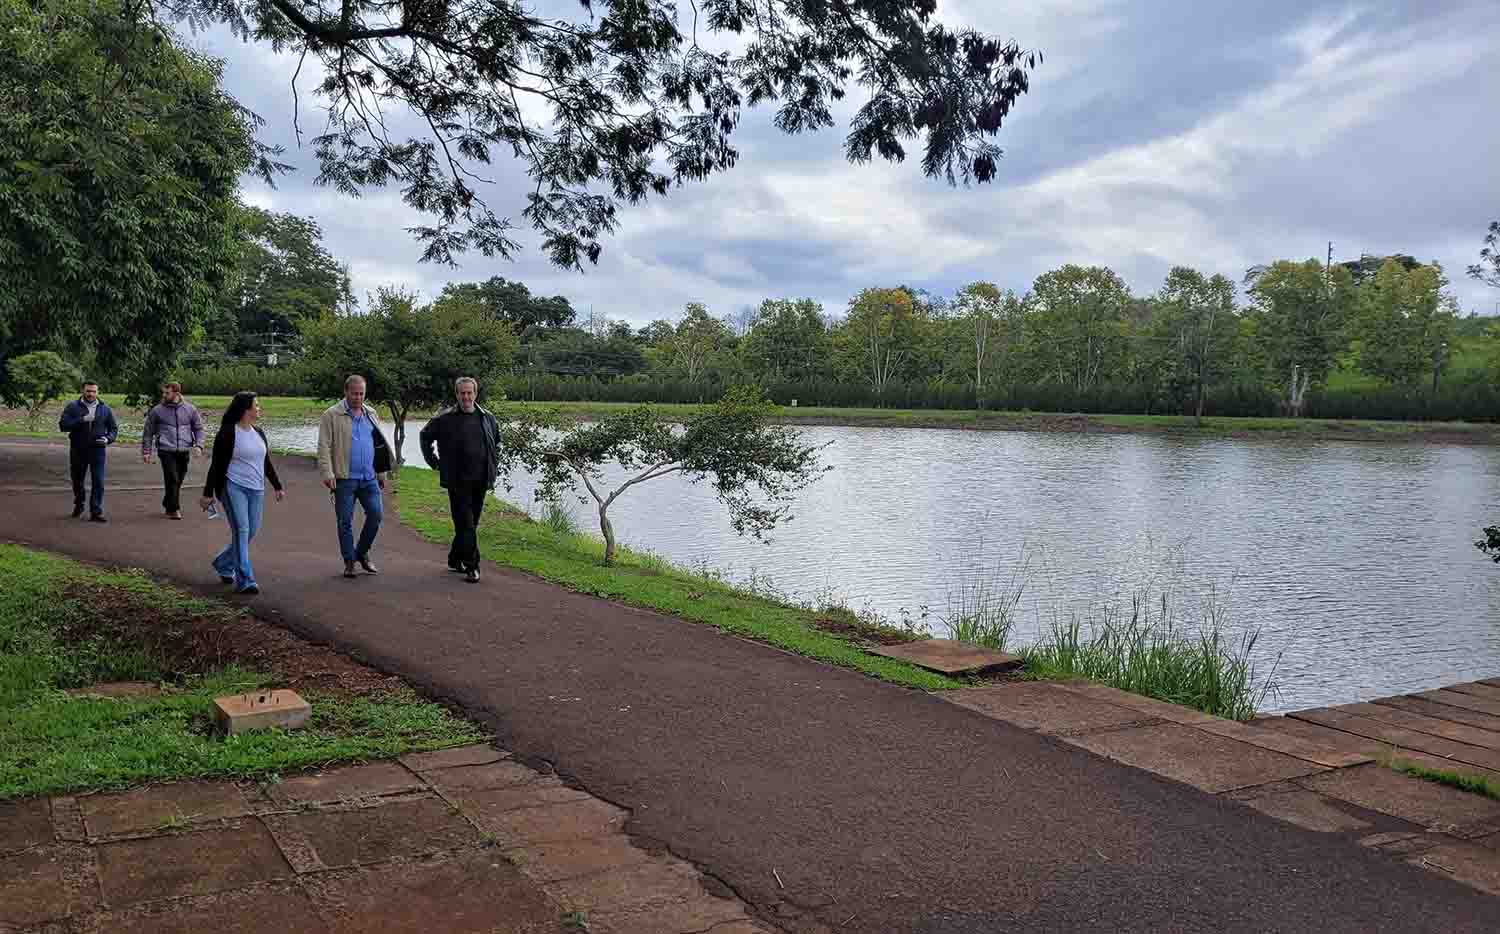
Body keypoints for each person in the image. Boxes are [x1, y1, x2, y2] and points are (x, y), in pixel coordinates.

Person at [200, 392, 284, 595]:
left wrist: (277, 485)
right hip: (233, 487)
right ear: (246, 409)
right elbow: (217, 465)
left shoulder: (259, 432)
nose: (259, 408)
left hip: (256, 488)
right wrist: (208, 493)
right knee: (242, 530)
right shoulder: (228, 432)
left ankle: (223, 563)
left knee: (251, 530)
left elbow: (265, 462)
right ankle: (246, 579)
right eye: (256, 405)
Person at [419, 376, 501, 583]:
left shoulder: (487, 418)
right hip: (457, 481)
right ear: (456, 394)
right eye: (462, 393)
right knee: (466, 523)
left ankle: (455, 558)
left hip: (481, 480)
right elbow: (425, 436)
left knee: (470, 523)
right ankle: (473, 566)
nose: (466, 396)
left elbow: (496, 444)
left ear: (475, 394)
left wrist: (492, 467)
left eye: (469, 392)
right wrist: (434, 462)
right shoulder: (445, 418)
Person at [316, 375, 393, 579]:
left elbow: (378, 446)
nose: (358, 398)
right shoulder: (331, 415)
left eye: (362, 394)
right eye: (355, 393)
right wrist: (327, 473)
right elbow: (324, 446)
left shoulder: (371, 414)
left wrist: (381, 472)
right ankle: (349, 561)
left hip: (369, 478)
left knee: (376, 515)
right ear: (346, 392)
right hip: (344, 478)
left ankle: (361, 553)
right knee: (345, 521)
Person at [140, 381, 205, 519]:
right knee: (173, 479)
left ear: (176, 393)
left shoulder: (190, 409)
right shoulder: (157, 410)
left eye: (167, 393)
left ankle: (168, 502)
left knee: (178, 480)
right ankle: (175, 509)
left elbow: (198, 429)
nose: (164, 395)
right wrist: (146, 452)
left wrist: (199, 445)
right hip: (165, 449)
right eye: (163, 392)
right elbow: (148, 433)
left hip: (184, 449)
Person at [57, 380, 118, 522]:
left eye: (94, 391)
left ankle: (96, 511)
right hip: (78, 449)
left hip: (98, 450)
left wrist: (108, 439)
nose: (91, 394)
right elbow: (63, 426)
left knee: (98, 481)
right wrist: (82, 419)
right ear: (82, 391)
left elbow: (113, 429)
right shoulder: (73, 407)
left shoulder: (105, 409)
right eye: (88, 391)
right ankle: (79, 502)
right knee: (77, 480)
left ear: (98, 392)